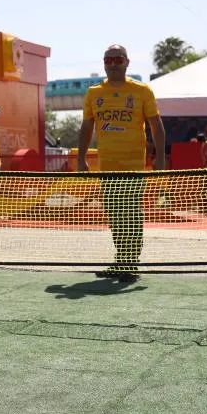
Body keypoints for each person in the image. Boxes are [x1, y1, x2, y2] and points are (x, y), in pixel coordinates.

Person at [77, 44, 166, 282]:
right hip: (108, 166)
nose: (113, 64)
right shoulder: (94, 93)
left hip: (133, 164)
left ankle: (130, 262)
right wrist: (81, 158)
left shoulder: (141, 91)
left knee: (131, 213)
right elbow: (87, 127)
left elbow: (156, 125)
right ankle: (121, 260)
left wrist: (160, 158)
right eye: (109, 60)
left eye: (118, 60)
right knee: (115, 214)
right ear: (104, 63)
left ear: (127, 63)